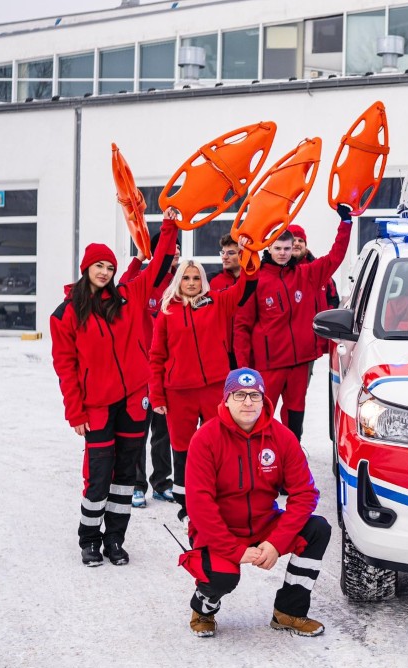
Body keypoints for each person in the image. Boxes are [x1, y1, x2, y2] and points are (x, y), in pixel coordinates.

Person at [50, 208, 178, 566]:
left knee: (124, 477)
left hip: (134, 400)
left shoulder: (128, 296)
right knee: (99, 476)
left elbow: (159, 266)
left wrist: (169, 226)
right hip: (96, 406)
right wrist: (74, 411)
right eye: (99, 266)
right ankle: (89, 539)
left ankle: (115, 540)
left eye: (109, 266)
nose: (105, 272)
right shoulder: (66, 314)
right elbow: (66, 367)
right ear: (86, 269)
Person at [182, 368, 330, 638]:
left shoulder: (282, 437)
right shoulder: (205, 438)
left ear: (264, 400)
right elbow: (199, 504)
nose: (247, 402)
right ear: (226, 399)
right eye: (239, 395)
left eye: (254, 395)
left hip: (264, 524)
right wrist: (234, 549)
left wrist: (276, 542)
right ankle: (204, 608)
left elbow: (305, 494)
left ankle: (289, 612)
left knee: (317, 529)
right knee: (224, 577)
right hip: (221, 530)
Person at [149, 259, 256, 523]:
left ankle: (217, 500)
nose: (192, 283)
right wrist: (157, 395)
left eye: (196, 278)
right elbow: (156, 356)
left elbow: (245, 286)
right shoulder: (167, 311)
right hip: (179, 393)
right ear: (179, 282)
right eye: (186, 278)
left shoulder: (218, 302)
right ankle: (186, 506)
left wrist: (250, 256)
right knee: (183, 450)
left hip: (213, 389)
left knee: (217, 447)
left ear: (203, 282)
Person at [233, 204, 352, 440]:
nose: (283, 253)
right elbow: (242, 326)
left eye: (287, 248)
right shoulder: (255, 278)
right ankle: (261, 458)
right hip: (269, 363)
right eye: (277, 248)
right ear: (269, 247)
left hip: (299, 362)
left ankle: (291, 456)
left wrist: (346, 224)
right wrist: (244, 367)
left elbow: (335, 257)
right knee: (260, 415)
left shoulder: (306, 274)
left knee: (294, 417)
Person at [119, 227, 179, 507]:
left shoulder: (179, 284)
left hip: (168, 371)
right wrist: (138, 258)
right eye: (171, 247)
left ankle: (162, 482)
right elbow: (123, 286)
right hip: (143, 372)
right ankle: (136, 484)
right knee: (139, 432)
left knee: (163, 431)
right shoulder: (143, 280)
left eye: (177, 247)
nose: (176, 251)